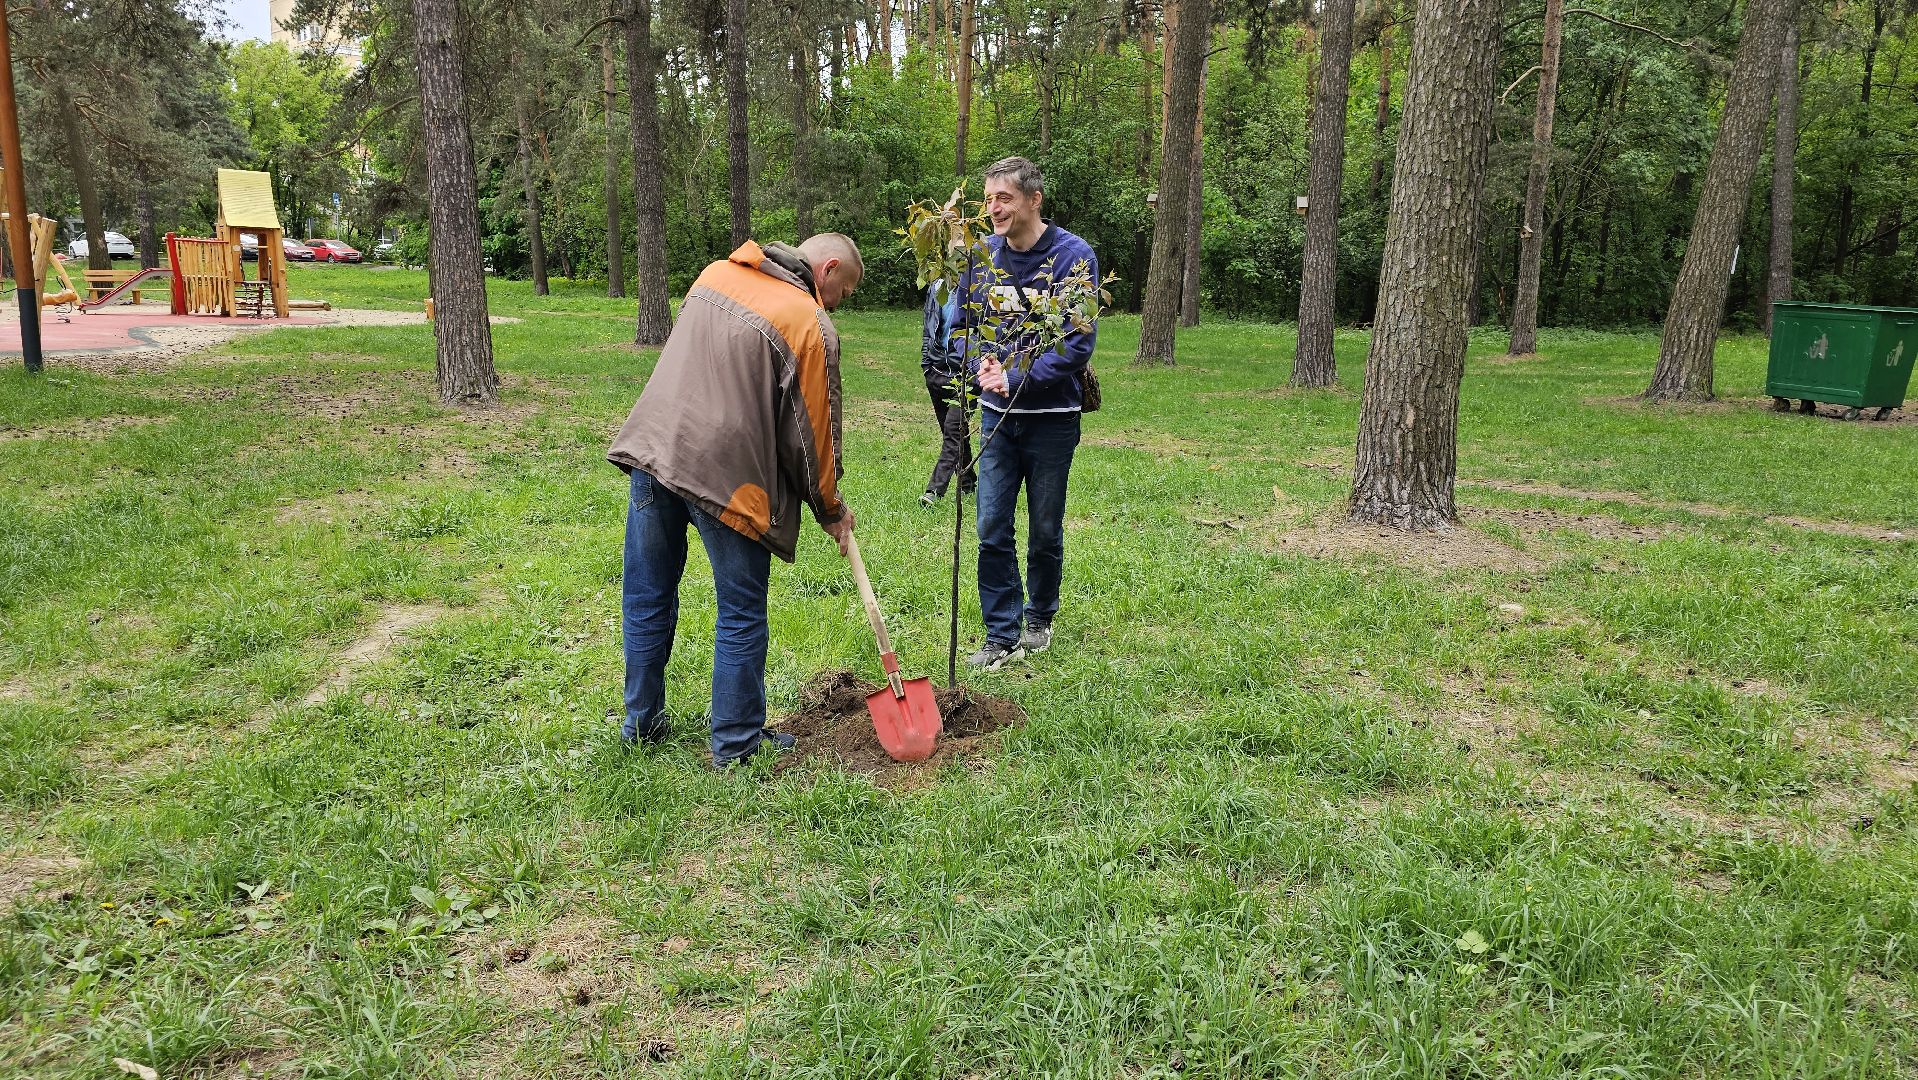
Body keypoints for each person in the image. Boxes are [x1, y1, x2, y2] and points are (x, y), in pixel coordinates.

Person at [607, 234, 862, 765]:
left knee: (647, 595)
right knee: (741, 612)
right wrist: (830, 508)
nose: (841, 302)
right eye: (846, 290)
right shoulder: (809, 322)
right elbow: (812, 438)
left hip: (655, 450)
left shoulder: (714, 275)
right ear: (828, 269)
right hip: (728, 479)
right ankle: (736, 744)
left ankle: (641, 725)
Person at [957, 157, 1099, 671]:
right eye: (989, 199)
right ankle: (1001, 632)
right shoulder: (979, 257)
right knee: (991, 524)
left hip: (1051, 418)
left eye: (1005, 198)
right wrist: (979, 366)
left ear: (1034, 200)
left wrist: (1014, 377)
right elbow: (962, 327)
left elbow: (1077, 343)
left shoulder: (1072, 257)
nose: (994, 208)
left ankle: (1039, 617)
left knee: (1044, 526)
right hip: (996, 418)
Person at [919, 279, 974, 506]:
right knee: (955, 433)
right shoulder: (936, 286)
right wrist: (926, 364)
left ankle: (934, 491)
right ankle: (968, 482)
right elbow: (928, 327)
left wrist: (974, 367)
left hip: (967, 373)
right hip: (936, 370)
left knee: (953, 430)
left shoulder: (977, 285)